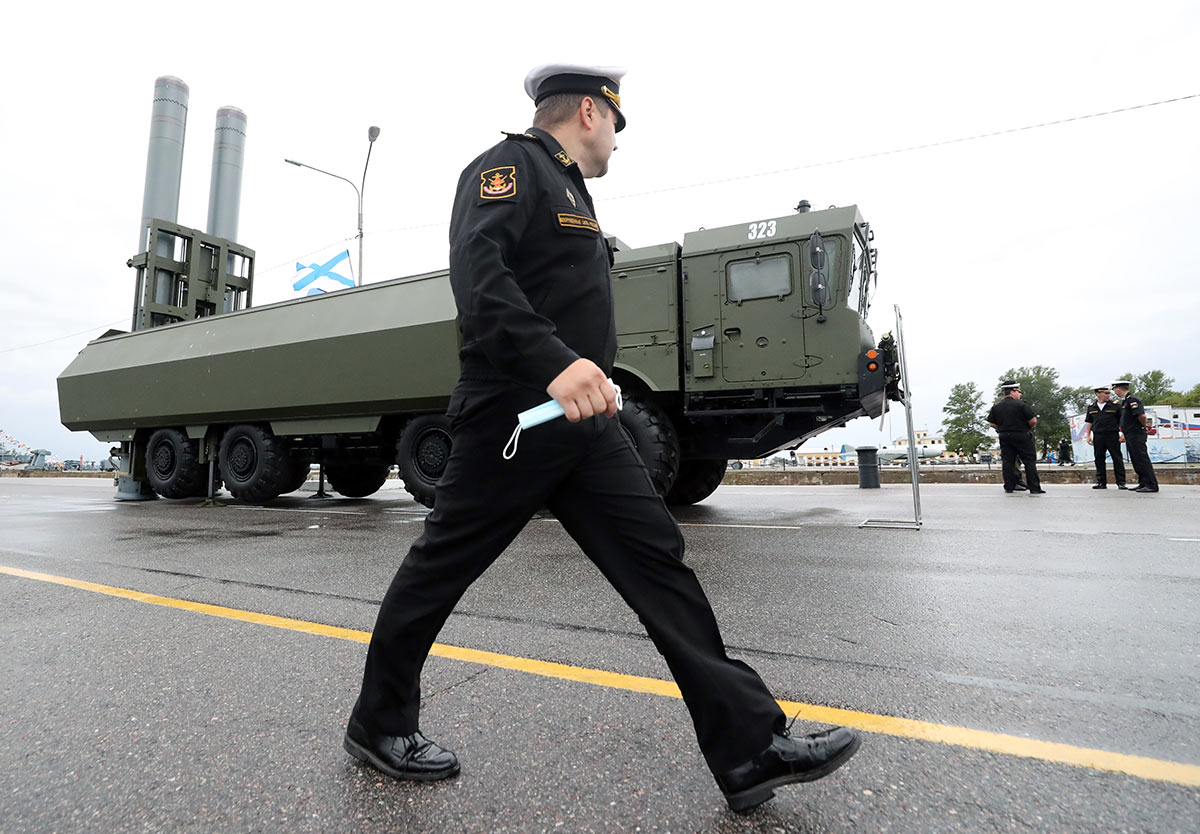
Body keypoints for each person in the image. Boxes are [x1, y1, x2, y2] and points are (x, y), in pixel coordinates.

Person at [342, 63, 860, 813]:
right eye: (616, 123)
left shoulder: (573, 191)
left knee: (660, 564)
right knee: (438, 570)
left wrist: (594, 378)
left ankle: (749, 746)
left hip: (585, 425)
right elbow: (479, 280)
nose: (618, 141)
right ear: (589, 111)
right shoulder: (506, 168)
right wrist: (553, 364)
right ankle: (377, 723)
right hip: (511, 419)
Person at [986, 381, 1044, 494]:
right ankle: (1034, 487)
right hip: (1021, 434)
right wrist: (1026, 427)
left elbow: (992, 423)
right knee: (1029, 461)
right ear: (1013, 392)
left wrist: (1002, 428)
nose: (1020, 394)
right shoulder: (1021, 405)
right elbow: (1033, 420)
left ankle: (1009, 485)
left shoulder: (996, 407)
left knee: (1008, 462)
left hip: (1004, 435)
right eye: (1018, 391)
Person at [1113, 380, 1159, 493]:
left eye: (1115, 389)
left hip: (1136, 433)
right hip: (1130, 433)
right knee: (1136, 460)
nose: (1115, 392)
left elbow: (1142, 416)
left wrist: (1143, 426)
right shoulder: (1126, 401)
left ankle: (1151, 484)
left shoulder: (1133, 400)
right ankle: (1143, 483)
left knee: (1141, 459)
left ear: (1118, 389)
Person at [1083, 386, 1126, 489]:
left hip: (1112, 435)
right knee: (1099, 459)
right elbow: (1089, 421)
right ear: (1098, 394)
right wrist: (1088, 435)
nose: (1108, 395)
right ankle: (1101, 482)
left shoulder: (1115, 406)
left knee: (1117, 458)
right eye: (1105, 393)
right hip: (1098, 435)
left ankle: (1121, 482)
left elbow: (1123, 421)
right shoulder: (1092, 407)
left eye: (1109, 394)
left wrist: (1123, 433)